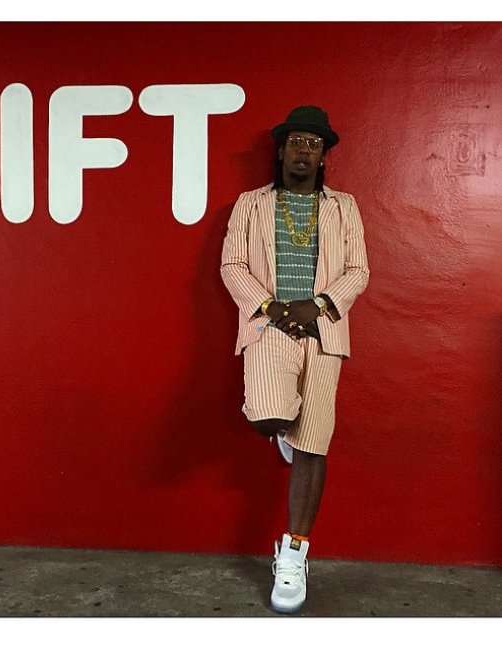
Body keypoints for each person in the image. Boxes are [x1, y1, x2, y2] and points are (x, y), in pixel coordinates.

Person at [220, 105, 369, 614]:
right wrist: (273, 308)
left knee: (314, 444)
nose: (304, 151)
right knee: (267, 417)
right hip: (269, 325)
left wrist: (318, 305)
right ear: (282, 150)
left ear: (323, 155)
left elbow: (358, 270)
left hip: (324, 329)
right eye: (297, 142)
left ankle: (293, 553)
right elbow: (232, 264)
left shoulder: (344, 207)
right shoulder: (251, 204)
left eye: (314, 144)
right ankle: (282, 427)